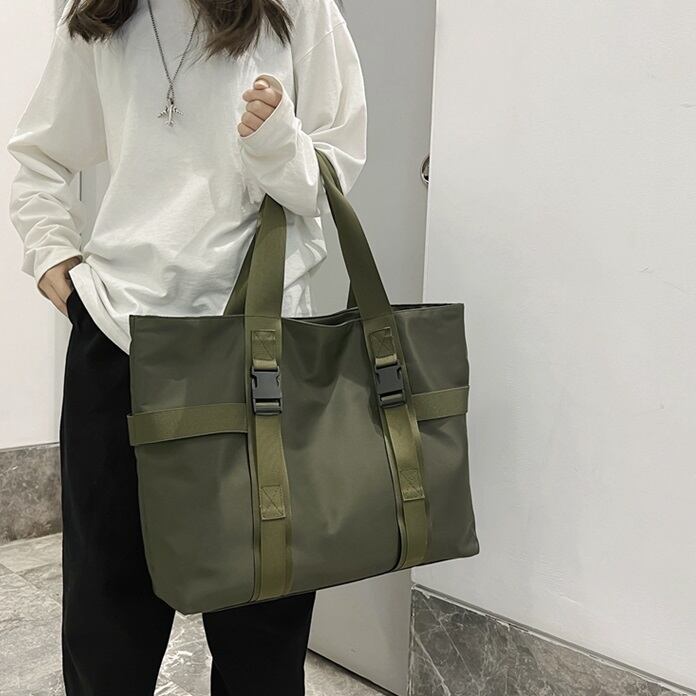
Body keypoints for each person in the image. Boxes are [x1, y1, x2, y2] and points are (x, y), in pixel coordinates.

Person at [6, 0, 367, 693]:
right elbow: (40, 154)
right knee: (105, 631)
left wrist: (276, 143)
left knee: (262, 634)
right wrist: (53, 254)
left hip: (262, 349)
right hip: (121, 341)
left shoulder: (295, 9)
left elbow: (334, 170)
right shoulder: (100, 13)